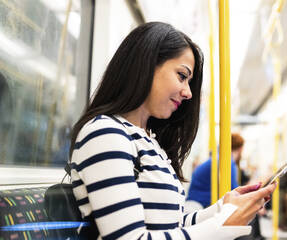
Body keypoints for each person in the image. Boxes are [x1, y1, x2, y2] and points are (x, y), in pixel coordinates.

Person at [69, 22, 276, 239]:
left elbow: (171, 222)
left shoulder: (149, 141)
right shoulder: (105, 134)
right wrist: (220, 226)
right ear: (146, 65)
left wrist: (223, 208)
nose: (188, 93)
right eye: (182, 76)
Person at [186, 133, 244, 209]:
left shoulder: (217, 158)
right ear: (240, 149)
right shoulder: (226, 161)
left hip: (195, 202)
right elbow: (234, 190)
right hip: (200, 204)